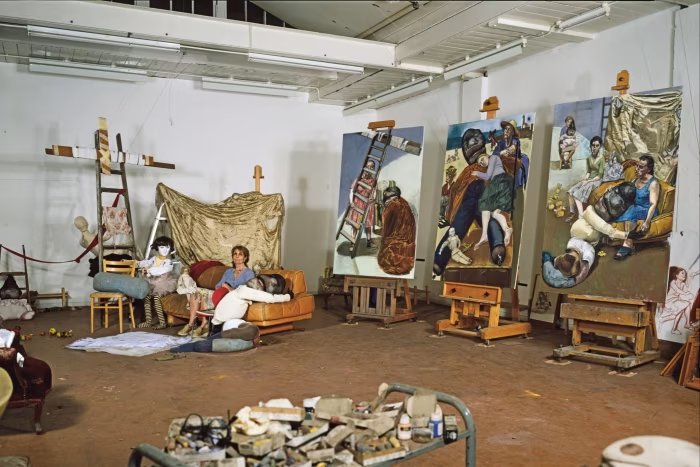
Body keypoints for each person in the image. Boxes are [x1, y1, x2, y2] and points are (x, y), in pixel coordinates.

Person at [178, 245, 255, 337]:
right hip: (221, 293)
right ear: (232, 257)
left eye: (240, 254)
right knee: (197, 291)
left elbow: (247, 291)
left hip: (234, 297)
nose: (237, 256)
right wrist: (220, 288)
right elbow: (218, 286)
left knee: (205, 294)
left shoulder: (249, 273)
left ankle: (204, 325)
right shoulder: (229, 271)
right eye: (235, 254)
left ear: (245, 258)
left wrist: (228, 288)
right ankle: (191, 324)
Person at [614, 155, 660, 260]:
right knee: (623, 208)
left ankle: (627, 244)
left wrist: (647, 222)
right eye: (637, 165)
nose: (637, 169)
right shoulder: (635, 181)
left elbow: (653, 204)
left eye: (641, 167)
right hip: (635, 208)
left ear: (649, 169)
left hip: (648, 210)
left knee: (632, 210)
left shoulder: (653, 184)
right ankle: (628, 242)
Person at [471, 154, 514, 251]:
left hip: (500, 182)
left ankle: (484, 234)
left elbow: (487, 176)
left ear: (487, 156)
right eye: (480, 163)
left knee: (484, 203)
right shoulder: (492, 163)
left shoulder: (493, 157)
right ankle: (506, 229)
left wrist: (477, 173)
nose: (482, 163)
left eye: (482, 159)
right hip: (500, 184)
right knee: (494, 213)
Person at [136, 236, 177, 330]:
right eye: (162, 247)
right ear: (157, 248)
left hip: (164, 283)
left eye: (167, 247)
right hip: (152, 282)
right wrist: (131, 262)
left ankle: (162, 323)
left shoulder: (168, 262)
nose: (165, 250)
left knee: (156, 298)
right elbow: (142, 263)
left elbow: (162, 270)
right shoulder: (153, 259)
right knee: (146, 297)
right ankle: (148, 321)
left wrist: (149, 270)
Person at [376, 185, 417, 275]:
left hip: (396, 246)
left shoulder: (392, 206)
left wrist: (379, 210)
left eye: (385, 196)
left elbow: (386, 227)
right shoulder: (404, 202)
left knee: (385, 258)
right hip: (409, 245)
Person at [565, 136, 605, 222]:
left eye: (597, 145)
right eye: (593, 145)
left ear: (600, 147)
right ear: (590, 146)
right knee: (571, 191)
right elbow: (588, 172)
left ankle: (581, 216)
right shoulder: (589, 158)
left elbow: (600, 175)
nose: (594, 148)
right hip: (589, 179)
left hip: (597, 180)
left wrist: (588, 181)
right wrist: (585, 179)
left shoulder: (602, 159)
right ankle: (572, 212)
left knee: (577, 195)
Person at [659, 268, 700, 334]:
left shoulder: (683, 284)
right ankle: (678, 327)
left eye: (685, 274)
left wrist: (689, 294)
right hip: (670, 302)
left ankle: (685, 325)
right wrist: (686, 294)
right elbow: (678, 290)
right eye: (682, 273)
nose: (684, 275)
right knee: (686, 305)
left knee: (687, 304)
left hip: (676, 301)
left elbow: (687, 291)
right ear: (677, 275)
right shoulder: (673, 282)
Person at [348, 160, 377, 249]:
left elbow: (375, 192)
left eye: (371, 166)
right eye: (368, 166)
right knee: (355, 224)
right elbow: (351, 191)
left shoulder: (373, 181)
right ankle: (352, 243)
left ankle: (369, 242)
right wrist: (351, 202)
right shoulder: (359, 179)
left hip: (367, 204)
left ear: (373, 169)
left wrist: (373, 198)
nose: (369, 168)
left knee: (368, 224)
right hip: (358, 203)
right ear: (365, 167)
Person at [492, 120, 528, 189]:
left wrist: (504, 153)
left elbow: (514, 150)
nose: (506, 131)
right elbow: (494, 154)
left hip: (513, 163)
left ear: (513, 132)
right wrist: (501, 153)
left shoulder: (515, 141)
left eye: (509, 129)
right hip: (504, 163)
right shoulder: (502, 142)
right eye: (505, 129)